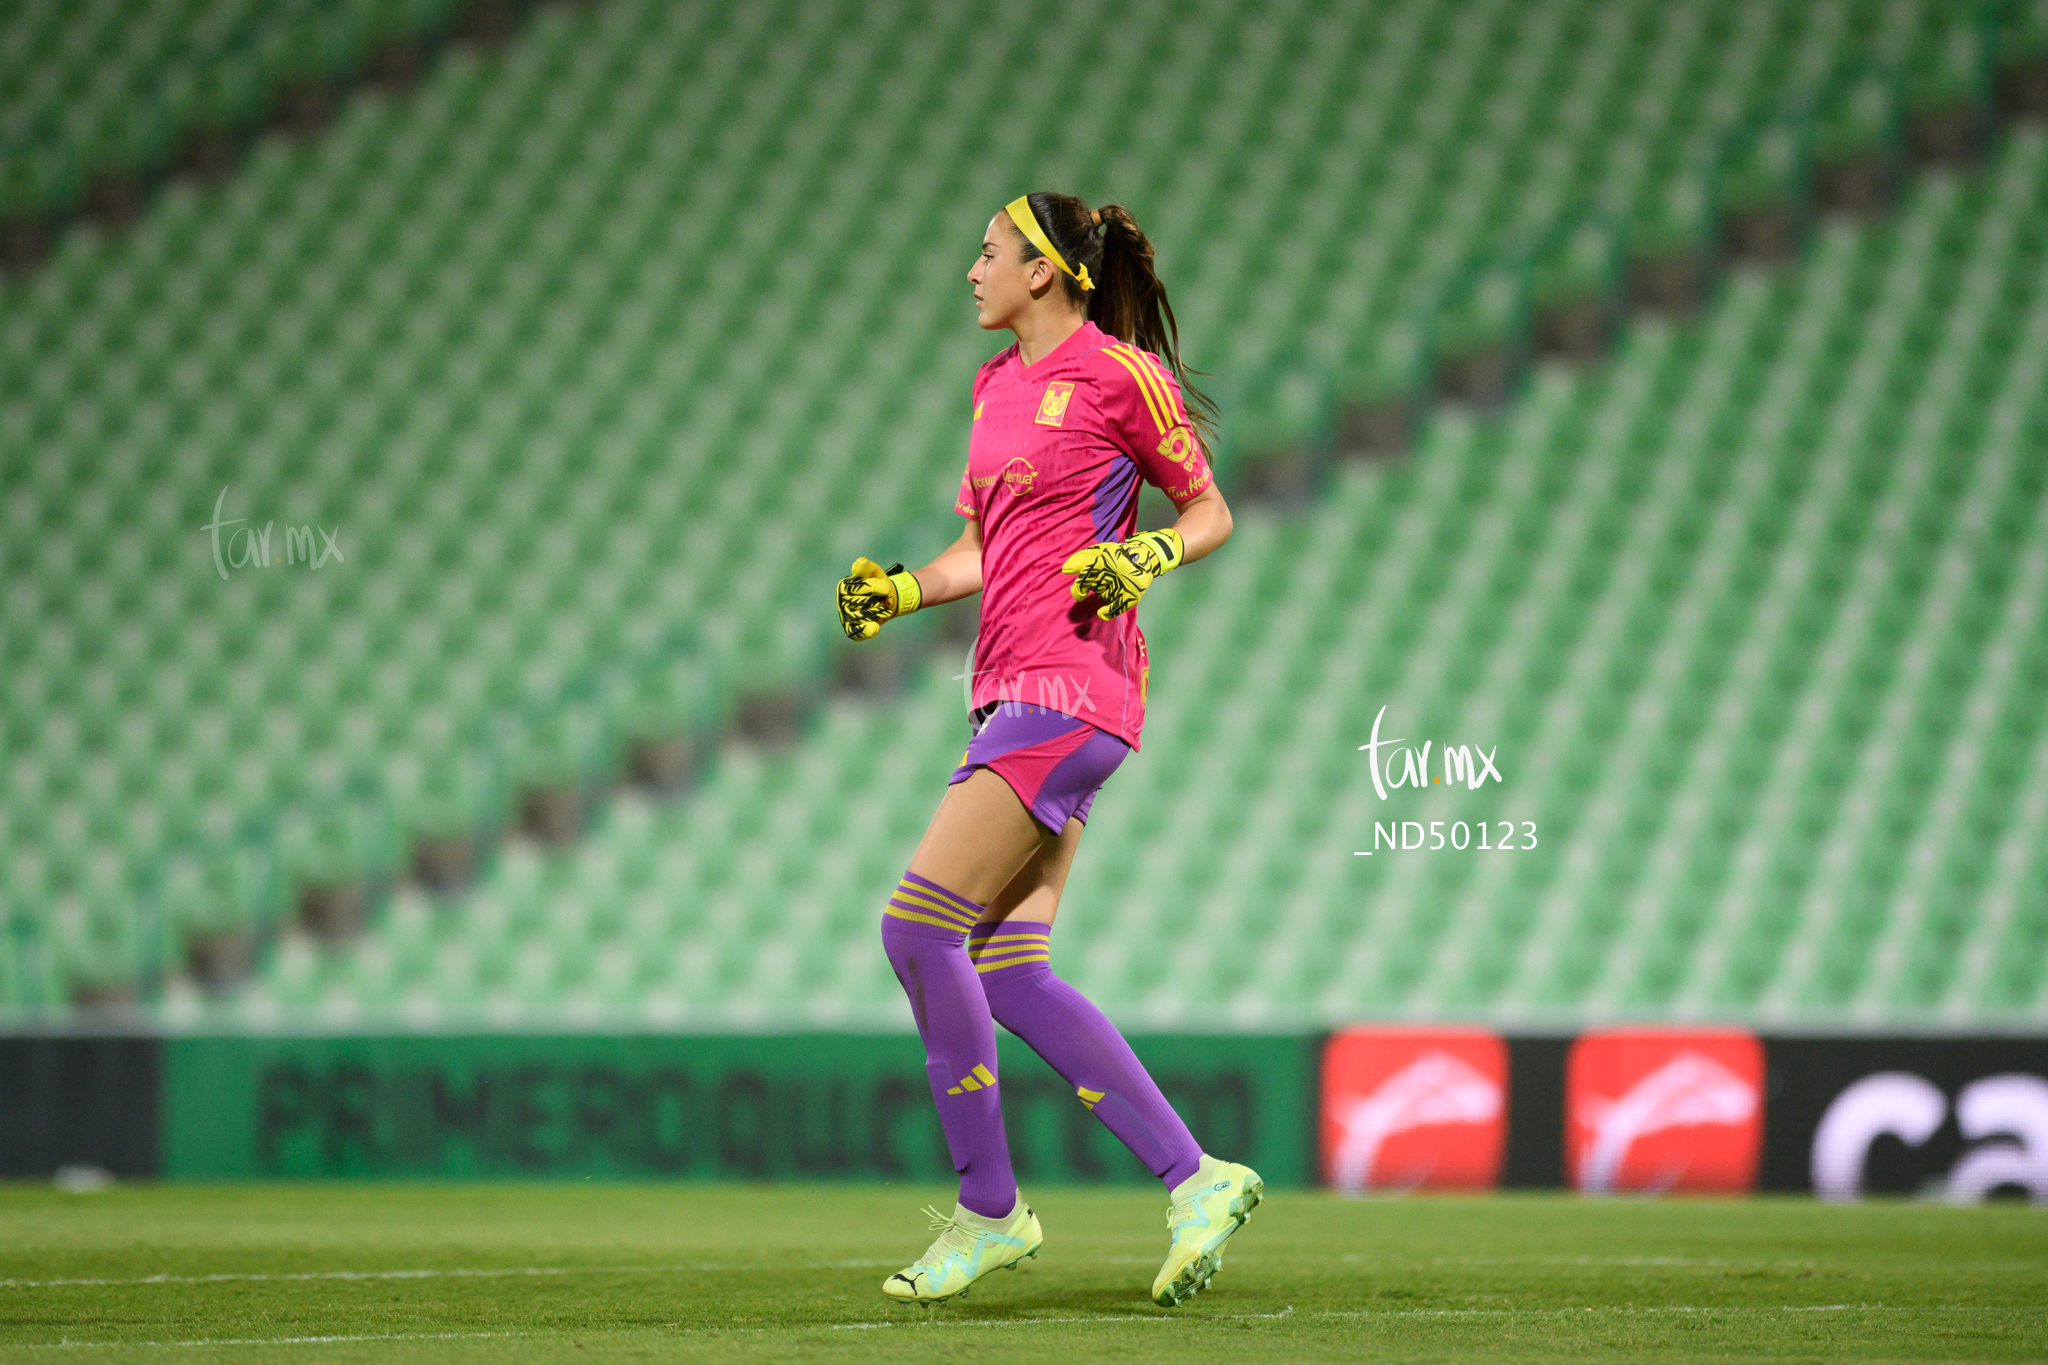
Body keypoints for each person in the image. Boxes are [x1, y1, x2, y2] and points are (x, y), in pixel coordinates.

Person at [835, 192, 1258, 1309]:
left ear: (1046, 272)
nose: (969, 269)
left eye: (987, 252)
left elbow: (1209, 509)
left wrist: (1148, 555)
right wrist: (902, 589)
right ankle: (1196, 1178)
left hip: (1070, 694)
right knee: (1009, 970)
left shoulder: (1121, 375)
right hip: (1009, 697)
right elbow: (980, 546)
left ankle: (989, 1212)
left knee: (915, 928)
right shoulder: (991, 389)